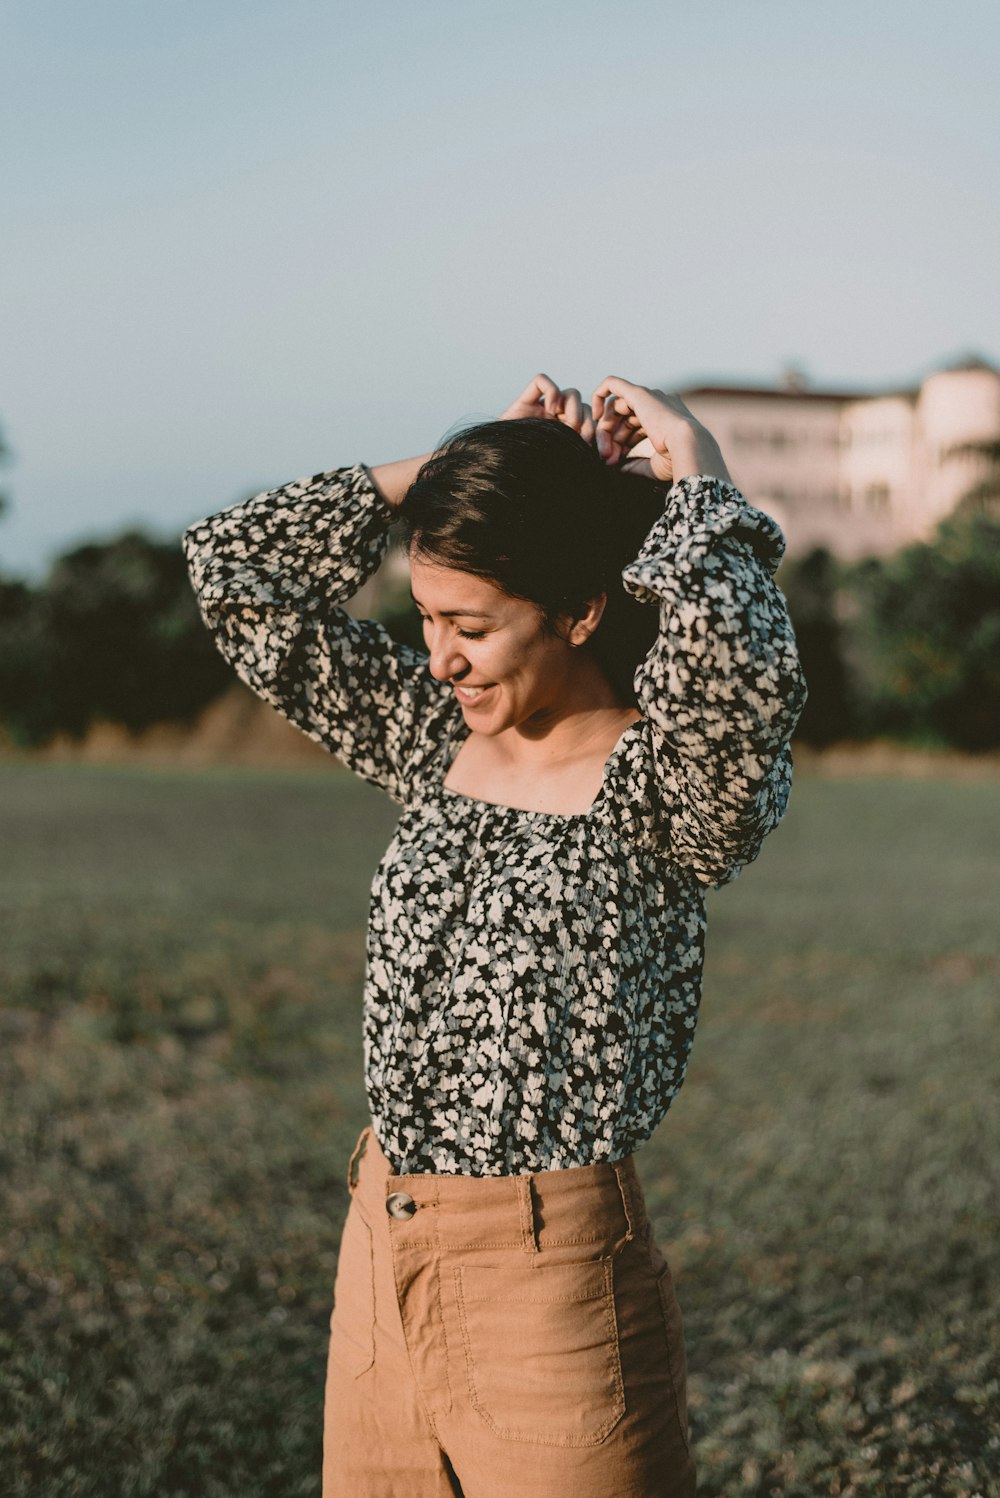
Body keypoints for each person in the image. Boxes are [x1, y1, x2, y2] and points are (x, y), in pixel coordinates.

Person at [182, 374, 807, 1497]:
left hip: (550, 1279)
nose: (438, 658)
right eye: (425, 618)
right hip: (380, 1243)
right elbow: (238, 573)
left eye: (470, 627)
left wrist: (700, 483)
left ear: (578, 611)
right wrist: (463, 475)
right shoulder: (433, 733)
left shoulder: (668, 788)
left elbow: (740, 679)